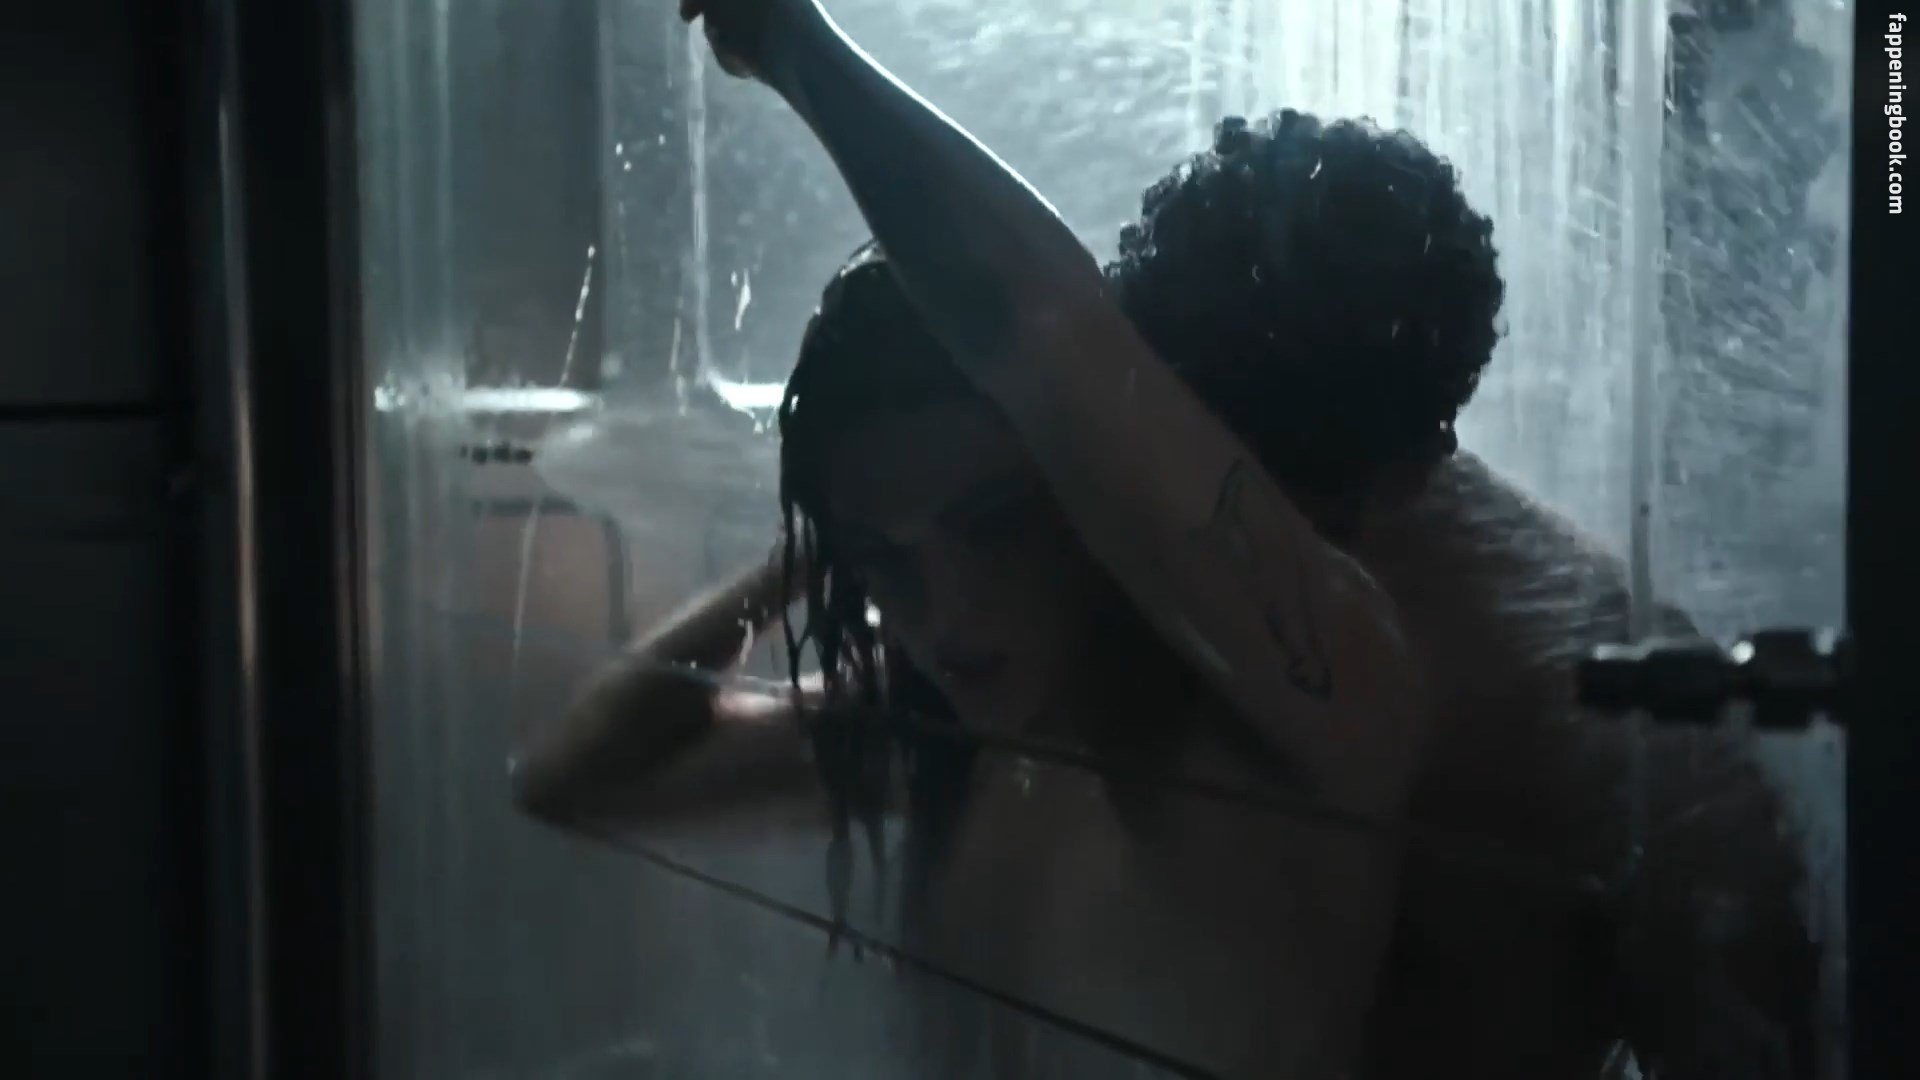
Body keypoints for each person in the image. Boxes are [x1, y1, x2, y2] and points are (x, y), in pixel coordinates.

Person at [516, 2, 1818, 1076]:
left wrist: (794, 44)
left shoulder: (1393, 667)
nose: (947, 600)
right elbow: (579, 776)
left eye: (990, 524)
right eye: (903, 560)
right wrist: (845, 541)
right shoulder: (1036, 688)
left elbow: (1044, 340)